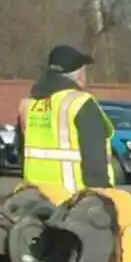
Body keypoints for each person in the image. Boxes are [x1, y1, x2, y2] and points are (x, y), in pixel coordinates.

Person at [17, 44, 115, 193]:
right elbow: (94, 160)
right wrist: (102, 195)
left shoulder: (29, 106)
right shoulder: (80, 103)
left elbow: (22, 153)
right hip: (73, 200)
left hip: (35, 199)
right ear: (79, 75)